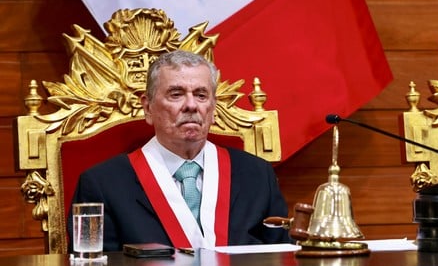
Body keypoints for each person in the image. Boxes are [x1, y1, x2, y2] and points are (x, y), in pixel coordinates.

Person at [68, 50, 290, 251]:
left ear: (213, 109)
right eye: (176, 94)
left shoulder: (258, 175)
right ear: (147, 107)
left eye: (201, 95)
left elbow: (282, 258)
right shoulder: (102, 185)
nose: (191, 105)